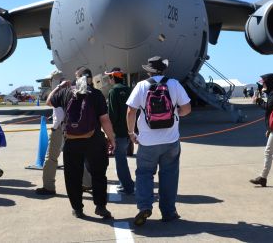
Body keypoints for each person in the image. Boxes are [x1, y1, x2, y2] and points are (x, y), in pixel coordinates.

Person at [126, 56, 192, 226]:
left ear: (149, 70)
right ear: (164, 69)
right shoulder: (175, 84)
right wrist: (175, 113)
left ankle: (144, 206)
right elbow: (187, 109)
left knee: (144, 174)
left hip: (147, 142)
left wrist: (131, 133)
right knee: (169, 175)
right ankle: (169, 212)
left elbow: (130, 112)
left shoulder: (141, 86)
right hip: (171, 141)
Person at [60, 67, 116, 219]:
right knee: (98, 174)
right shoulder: (96, 94)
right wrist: (111, 138)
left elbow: (49, 101)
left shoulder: (66, 92)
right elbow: (104, 119)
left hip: (72, 141)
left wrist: (60, 86)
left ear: (77, 78)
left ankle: (77, 209)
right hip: (94, 141)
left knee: (73, 176)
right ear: (91, 78)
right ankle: (100, 206)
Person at [35, 71, 67, 196]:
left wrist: (55, 122)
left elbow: (49, 102)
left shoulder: (58, 91)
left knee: (51, 159)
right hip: (70, 128)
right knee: (77, 157)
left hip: (59, 128)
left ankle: (48, 186)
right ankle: (87, 182)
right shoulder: (70, 90)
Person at [106, 67, 135, 195]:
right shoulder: (129, 89)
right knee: (122, 158)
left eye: (109, 77)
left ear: (112, 78)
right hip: (129, 130)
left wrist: (109, 133)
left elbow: (112, 114)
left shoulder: (113, 91)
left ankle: (127, 186)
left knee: (120, 160)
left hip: (118, 132)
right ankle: (125, 183)